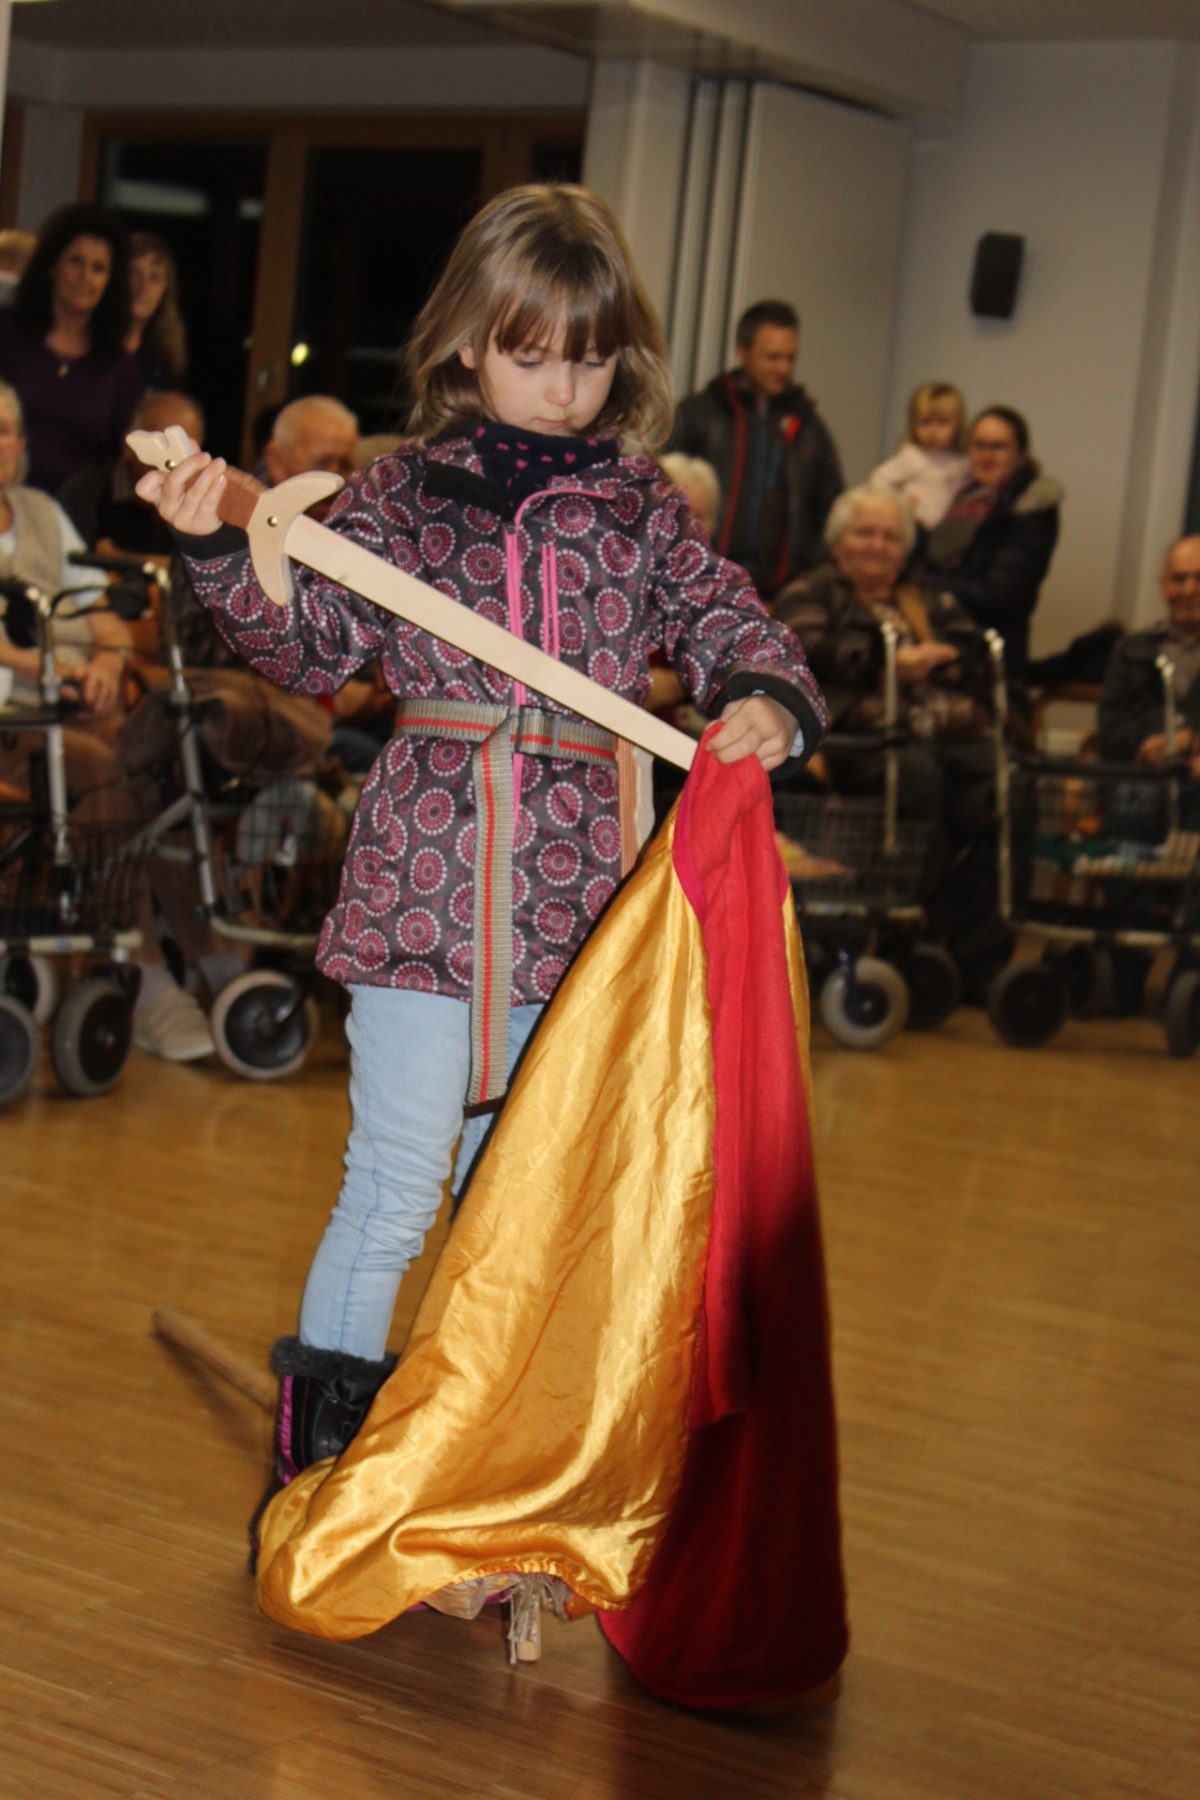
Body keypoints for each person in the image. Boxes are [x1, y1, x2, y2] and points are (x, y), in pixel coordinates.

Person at [134, 183, 825, 1507]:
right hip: (427, 884)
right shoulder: (402, 495)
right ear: (467, 341)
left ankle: (469, 1466)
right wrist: (221, 544)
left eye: (590, 359)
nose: (563, 389)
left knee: (517, 1204)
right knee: (397, 1184)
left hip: (577, 904)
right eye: (532, 354)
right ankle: (320, 1484)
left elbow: (733, 622)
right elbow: (311, 648)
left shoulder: (637, 507)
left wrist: (765, 698)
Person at [775, 485, 1008, 998]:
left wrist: (947, 662)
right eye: (865, 533)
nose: (878, 546)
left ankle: (974, 950)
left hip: (939, 731)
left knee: (1005, 787)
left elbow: (974, 650)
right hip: (853, 735)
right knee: (919, 777)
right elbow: (805, 646)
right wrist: (887, 664)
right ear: (839, 542)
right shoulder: (813, 592)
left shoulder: (928, 599)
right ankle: (909, 931)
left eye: (889, 536)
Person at [0, 379, 135, 815]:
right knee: (95, 766)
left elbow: (106, 621)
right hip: (12, 714)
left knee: (151, 747)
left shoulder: (43, 510)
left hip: (72, 699)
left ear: (21, 445)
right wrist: (57, 672)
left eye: (3, 430)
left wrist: (106, 665)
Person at [667, 298, 843, 600]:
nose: (784, 368)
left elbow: (832, 510)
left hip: (780, 596)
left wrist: (804, 579)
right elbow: (661, 488)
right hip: (699, 585)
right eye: (773, 357)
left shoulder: (809, 427)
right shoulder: (699, 413)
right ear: (742, 351)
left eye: (790, 358)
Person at [914, 404, 1062, 684]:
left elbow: (999, 596)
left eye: (998, 447)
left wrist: (924, 583)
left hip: (990, 658)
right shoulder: (959, 497)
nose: (987, 455)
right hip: (942, 643)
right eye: (979, 445)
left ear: (1022, 454)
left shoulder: (1032, 508)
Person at [0, 203, 141, 495]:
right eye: (76, 261)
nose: (85, 277)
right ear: (53, 266)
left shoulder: (118, 366)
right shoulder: (8, 332)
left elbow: (125, 455)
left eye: (98, 268)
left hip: (76, 512)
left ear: (110, 281)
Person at [868, 380, 969, 530]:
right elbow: (878, 478)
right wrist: (900, 501)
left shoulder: (962, 461)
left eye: (942, 422)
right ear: (913, 425)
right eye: (925, 423)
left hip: (945, 529)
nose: (933, 431)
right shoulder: (913, 457)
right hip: (914, 526)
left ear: (958, 425)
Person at [125, 231, 188, 390]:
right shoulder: (89, 344)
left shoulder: (163, 361)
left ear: (164, 290)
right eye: (135, 272)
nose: (143, 286)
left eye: (154, 277)